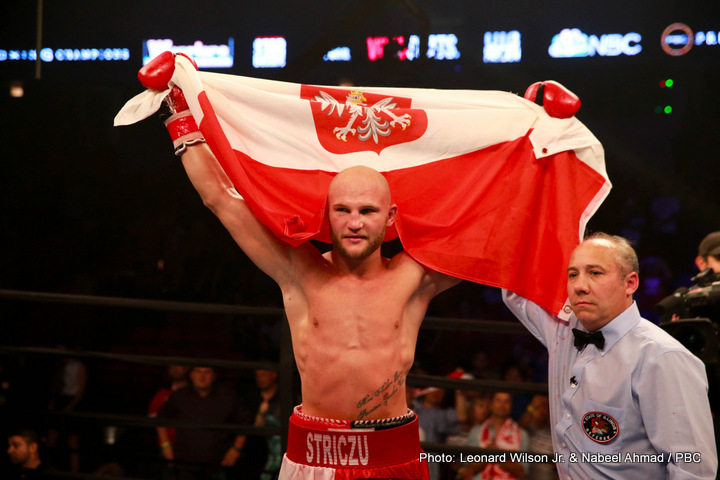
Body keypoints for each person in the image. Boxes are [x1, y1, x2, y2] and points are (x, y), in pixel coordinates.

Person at [139, 53, 461, 480]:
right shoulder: (299, 271)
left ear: (391, 217)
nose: (354, 222)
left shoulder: (414, 276)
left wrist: (546, 142)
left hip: (392, 453)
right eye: (342, 210)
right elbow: (220, 199)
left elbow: (498, 229)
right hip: (314, 456)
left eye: (367, 210)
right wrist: (178, 107)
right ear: (326, 216)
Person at [502, 232, 718, 479]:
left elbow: (693, 471)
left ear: (630, 283)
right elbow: (513, 282)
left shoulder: (662, 358)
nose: (580, 285)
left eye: (595, 273)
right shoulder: (563, 332)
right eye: (573, 274)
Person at [156, 366, 251, 480]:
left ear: (214, 375)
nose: (202, 376)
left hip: (216, 464)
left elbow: (246, 422)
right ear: (191, 375)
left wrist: (236, 449)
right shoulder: (180, 395)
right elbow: (161, 418)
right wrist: (165, 445)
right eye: (198, 372)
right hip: (183, 464)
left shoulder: (228, 396)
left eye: (207, 372)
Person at [459, 392, 528, 480]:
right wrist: (489, 453)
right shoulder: (476, 432)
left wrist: (497, 455)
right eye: (498, 400)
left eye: (507, 401)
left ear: (511, 406)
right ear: (491, 404)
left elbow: (522, 471)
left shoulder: (522, 435)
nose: (502, 405)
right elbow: (469, 466)